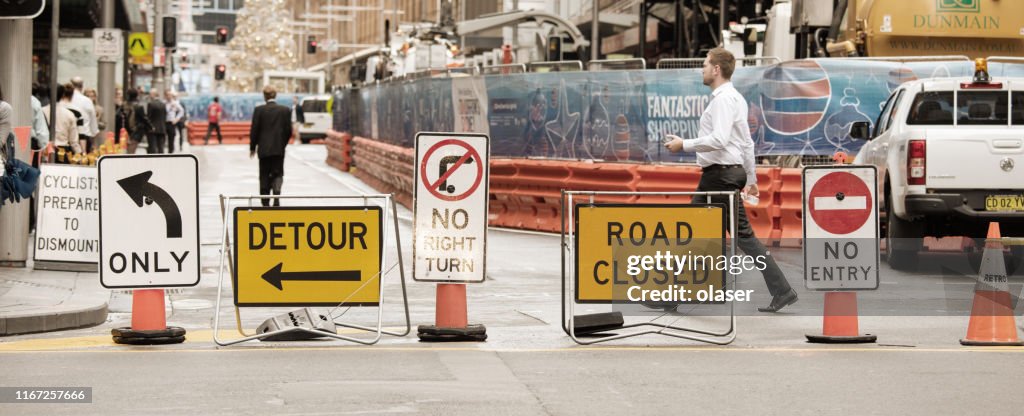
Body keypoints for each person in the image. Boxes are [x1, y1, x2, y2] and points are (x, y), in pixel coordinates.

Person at [664, 47, 798, 313]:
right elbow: (746, 143)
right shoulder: (735, 98)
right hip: (725, 175)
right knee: (731, 236)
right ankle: (781, 290)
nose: (701, 69)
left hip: (719, 176)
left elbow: (720, 139)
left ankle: (669, 295)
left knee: (695, 232)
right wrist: (750, 177)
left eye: (705, 64)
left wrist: (684, 144)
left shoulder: (723, 100)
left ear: (716, 69)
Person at [249, 85, 292, 207]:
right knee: (278, 172)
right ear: (275, 95)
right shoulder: (285, 110)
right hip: (278, 149)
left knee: (264, 174)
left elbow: (254, 130)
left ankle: (265, 201)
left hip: (263, 150)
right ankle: (276, 193)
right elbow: (289, 131)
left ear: (264, 96)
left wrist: (253, 147)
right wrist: (282, 144)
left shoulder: (259, 110)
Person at [42, 83, 83, 162]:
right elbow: (74, 140)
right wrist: (79, 154)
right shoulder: (69, 114)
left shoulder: (41, 111)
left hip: (45, 151)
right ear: (63, 95)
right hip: (63, 151)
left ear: (47, 94)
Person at [70, 77, 98, 153]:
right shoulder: (87, 101)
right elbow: (93, 124)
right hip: (85, 138)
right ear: (82, 86)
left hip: (69, 138)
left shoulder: (67, 99)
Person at [145, 89, 167, 154]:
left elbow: (149, 116)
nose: (149, 95)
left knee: (153, 147)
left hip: (153, 129)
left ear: (153, 94)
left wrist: (149, 127)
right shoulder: (163, 104)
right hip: (162, 128)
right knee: (161, 147)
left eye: (150, 94)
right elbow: (165, 116)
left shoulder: (151, 104)